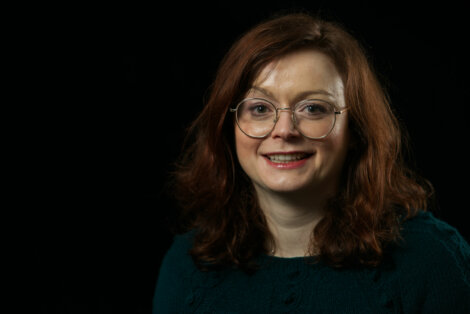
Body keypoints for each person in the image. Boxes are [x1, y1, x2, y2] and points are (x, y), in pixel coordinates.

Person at [153, 12, 470, 313]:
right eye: (260, 108)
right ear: (229, 127)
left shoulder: (432, 260)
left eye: (314, 109)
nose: (285, 131)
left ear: (355, 131)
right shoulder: (187, 266)